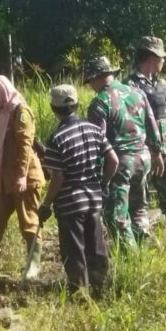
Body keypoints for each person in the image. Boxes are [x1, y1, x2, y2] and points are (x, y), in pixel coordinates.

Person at [38, 84, 118, 295]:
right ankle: (100, 288)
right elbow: (113, 160)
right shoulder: (94, 130)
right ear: (77, 104)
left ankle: (80, 293)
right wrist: (104, 184)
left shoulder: (57, 138)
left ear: (53, 108)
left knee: (74, 251)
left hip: (69, 204)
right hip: (93, 199)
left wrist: (45, 205)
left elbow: (57, 178)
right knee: (96, 246)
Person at [85, 56, 164, 248]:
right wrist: (156, 152)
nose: (90, 86)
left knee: (115, 215)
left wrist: (97, 175)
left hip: (121, 164)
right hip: (143, 158)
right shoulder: (137, 93)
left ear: (97, 78)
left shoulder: (100, 103)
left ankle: (131, 259)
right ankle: (143, 248)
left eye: (90, 82)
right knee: (138, 208)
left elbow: (98, 143)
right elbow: (152, 124)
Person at [124, 36, 166, 247]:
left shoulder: (162, 84)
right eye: (161, 57)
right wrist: (151, 151)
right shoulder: (129, 85)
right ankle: (142, 250)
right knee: (139, 201)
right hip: (141, 151)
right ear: (151, 57)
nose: (164, 61)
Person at [0, 75, 46, 278]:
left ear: (2, 91)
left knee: (29, 221)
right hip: (2, 178)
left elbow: (25, 145)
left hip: (24, 177)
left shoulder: (20, 112)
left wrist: (22, 176)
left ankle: (33, 264)